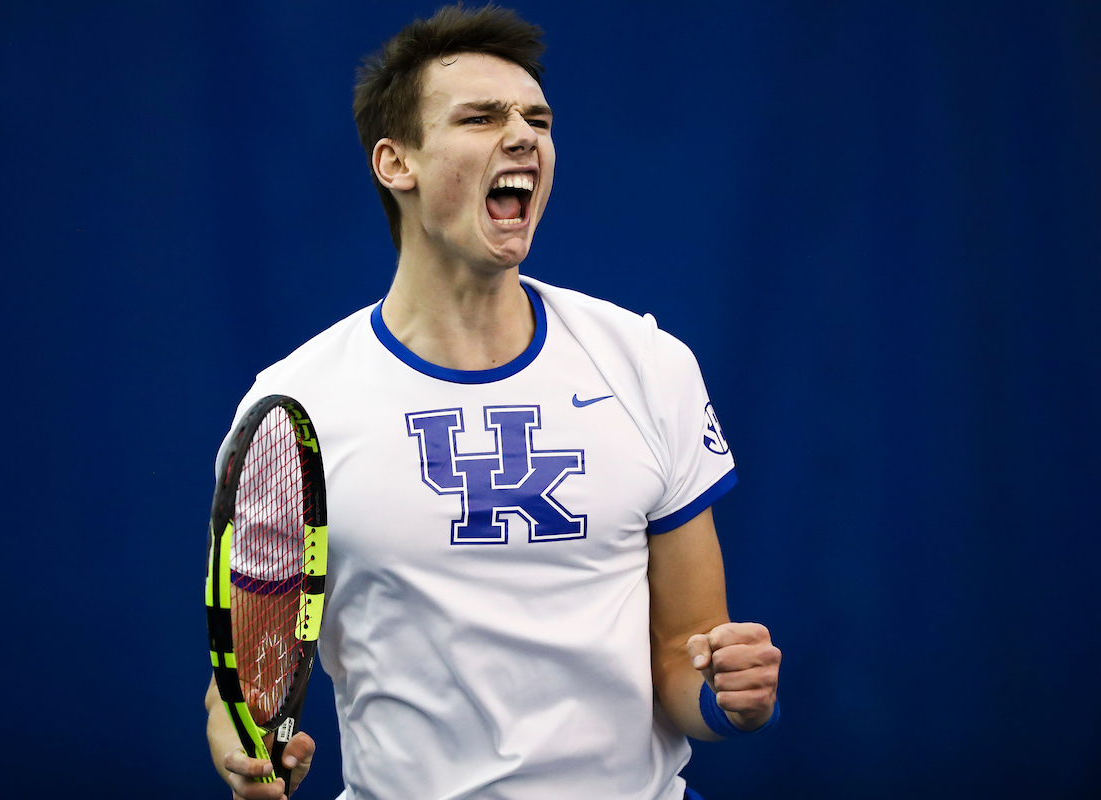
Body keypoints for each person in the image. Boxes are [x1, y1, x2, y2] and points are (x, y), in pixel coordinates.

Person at [204, 6, 781, 799]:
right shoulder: (293, 407)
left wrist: (728, 696)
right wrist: (245, 747)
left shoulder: (649, 364)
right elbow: (246, 672)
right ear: (394, 162)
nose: (523, 136)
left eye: (537, 119)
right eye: (480, 117)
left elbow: (683, 651)